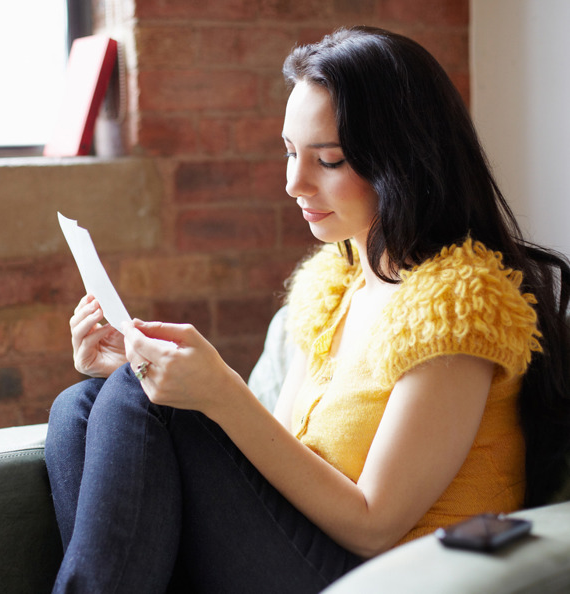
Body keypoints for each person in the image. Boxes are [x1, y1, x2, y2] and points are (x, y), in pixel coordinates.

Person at [45, 26, 570, 593]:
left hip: (385, 575)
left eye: (329, 160)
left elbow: (374, 525)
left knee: (135, 398)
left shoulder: (461, 304)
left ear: (404, 162)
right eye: (291, 152)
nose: (294, 183)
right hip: (308, 550)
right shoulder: (335, 286)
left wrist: (219, 390)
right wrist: (146, 366)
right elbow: (282, 458)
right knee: (84, 403)